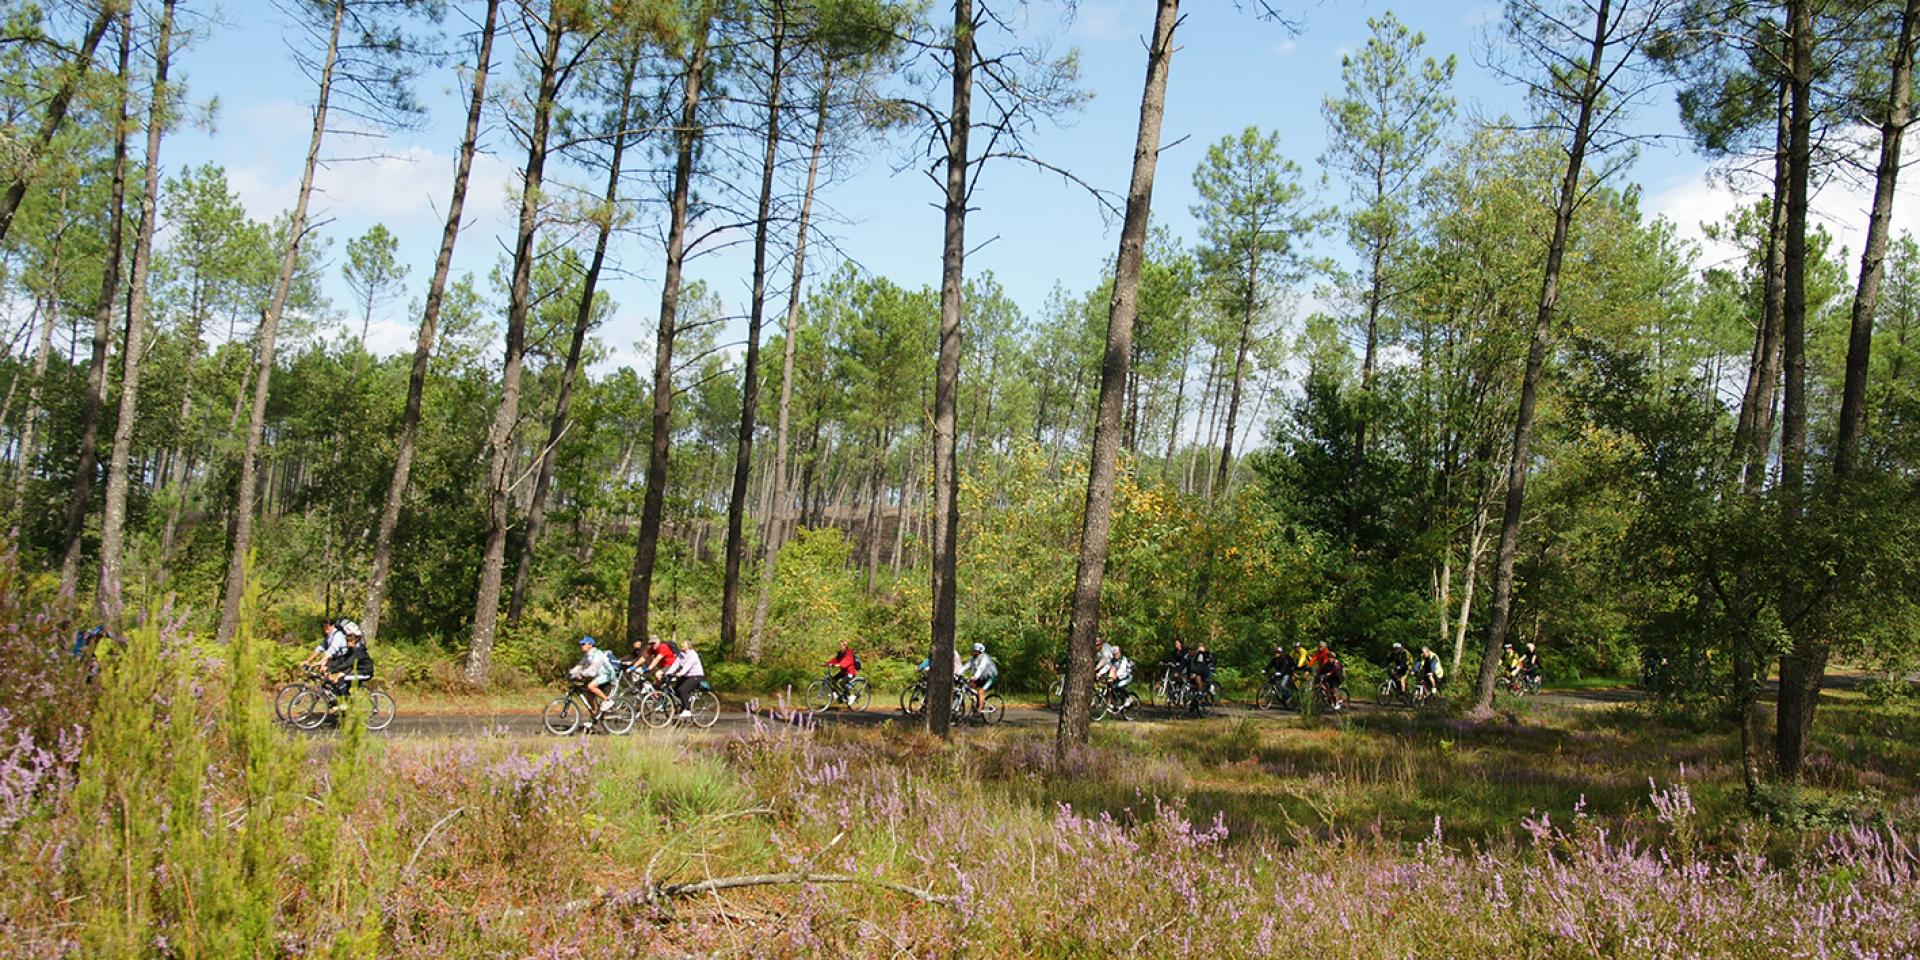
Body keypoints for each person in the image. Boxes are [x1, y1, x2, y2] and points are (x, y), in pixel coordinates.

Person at [326, 629, 376, 711]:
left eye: (349, 641)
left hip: (365, 672)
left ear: (354, 641)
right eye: (347, 641)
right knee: (339, 683)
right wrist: (329, 667)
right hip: (357, 671)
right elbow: (342, 659)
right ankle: (347, 702)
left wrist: (332, 671)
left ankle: (346, 704)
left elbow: (348, 664)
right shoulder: (351, 650)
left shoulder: (359, 650)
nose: (347, 643)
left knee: (342, 678)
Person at [567, 636, 617, 716]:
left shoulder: (597, 654)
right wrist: (571, 673)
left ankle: (608, 701)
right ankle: (594, 716)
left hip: (608, 674)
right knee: (589, 697)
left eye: (583, 644)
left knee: (590, 686)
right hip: (599, 676)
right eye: (581, 644)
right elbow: (580, 665)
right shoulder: (587, 655)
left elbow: (593, 669)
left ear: (590, 645)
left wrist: (581, 674)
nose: (581, 646)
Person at [662, 644, 706, 718]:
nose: (681, 645)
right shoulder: (681, 655)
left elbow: (687, 666)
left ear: (689, 646)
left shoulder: (692, 655)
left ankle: (687, 710)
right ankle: (686, 701)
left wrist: (680, 673)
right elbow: (675, 665)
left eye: (684, 644)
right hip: (686, 676)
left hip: (696, 676)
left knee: (683, 690)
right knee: (676, 690)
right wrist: (668, 673)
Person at [961, 642, 998, 715]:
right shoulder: (973, 658)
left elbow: (980, 668)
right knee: (969, 686)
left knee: (981, 691)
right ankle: (977, 702)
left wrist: (974, 677)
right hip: (981, 677)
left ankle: (979, 710)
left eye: (974, 650)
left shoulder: (985, 658)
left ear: (978, 652)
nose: (972, 652)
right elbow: (966, 666)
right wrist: (957, 674)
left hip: (991, 677)